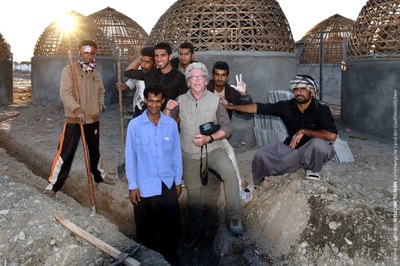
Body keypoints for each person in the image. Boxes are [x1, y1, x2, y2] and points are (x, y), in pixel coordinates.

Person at [164, 62, 243, 251]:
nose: (197, 80)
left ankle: (234, 216)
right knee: (194, 194)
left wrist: (210, 138)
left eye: (200, 77)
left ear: (206, 81)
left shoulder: (215, 101)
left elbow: (227, 126)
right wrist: (167, 109)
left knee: (230, 173)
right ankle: (195, 231)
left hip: (212, 149)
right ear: (188, 82)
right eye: (193, 77)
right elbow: (165, 125)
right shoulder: (179, 100)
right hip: (189, 153)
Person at [225, 74, 338, 185]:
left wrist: (304, 131)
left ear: (312, 92)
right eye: (296, 89)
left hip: (313, 151)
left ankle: (313, 169)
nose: (299, 92)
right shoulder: (286, 106)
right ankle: (256, 184)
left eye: (303, 89)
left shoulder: (321, 109)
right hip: (293, 149)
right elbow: (258, 108)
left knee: (319, 144)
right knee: (261, 155)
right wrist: (231, 106)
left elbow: (332, 135)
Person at [44, 40, 114, 197]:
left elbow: (101, 91)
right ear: (80, 53)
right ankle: (53, 185)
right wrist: (77, 109)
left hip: (93, 119)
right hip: (75, 119)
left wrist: (100, 105)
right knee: (65, 153)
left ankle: (99, 176)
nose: (88, 56)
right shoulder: (69, 70)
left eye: (91, 53)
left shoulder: (96, 72)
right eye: (86, 52)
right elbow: (65, 93)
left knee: (95, 150)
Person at [125, 83, 183, 262]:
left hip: (167, 184)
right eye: (151, 101)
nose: (154, 105)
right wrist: (133, 186)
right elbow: (130, 157)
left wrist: (178, 181)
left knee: (171, 228)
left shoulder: (171, 125)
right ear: (145, 100)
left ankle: (170, 259)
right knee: (145, 230)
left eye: (158, 101)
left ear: (163, 101)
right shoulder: (134, 125)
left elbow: (176, 154)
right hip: (145, 186)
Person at [124, 42, 188, 110]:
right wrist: (142, 56)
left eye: (163, 55)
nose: (159, 59)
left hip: (167, 117)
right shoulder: (149, 74)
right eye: (156, 56)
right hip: (148, 116)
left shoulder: (179, 78)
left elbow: (182, 104)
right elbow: (127, 72)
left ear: (170, 57)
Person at [116, 47, 155, 118]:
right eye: (142, 61)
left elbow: (128, 72)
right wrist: (125, 86)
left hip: (154, 109)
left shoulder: (159, 74)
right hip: (139, 107)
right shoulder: (141, 70)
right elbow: (132, 77)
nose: (143, 64)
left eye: (147, 62)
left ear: (155, 63)